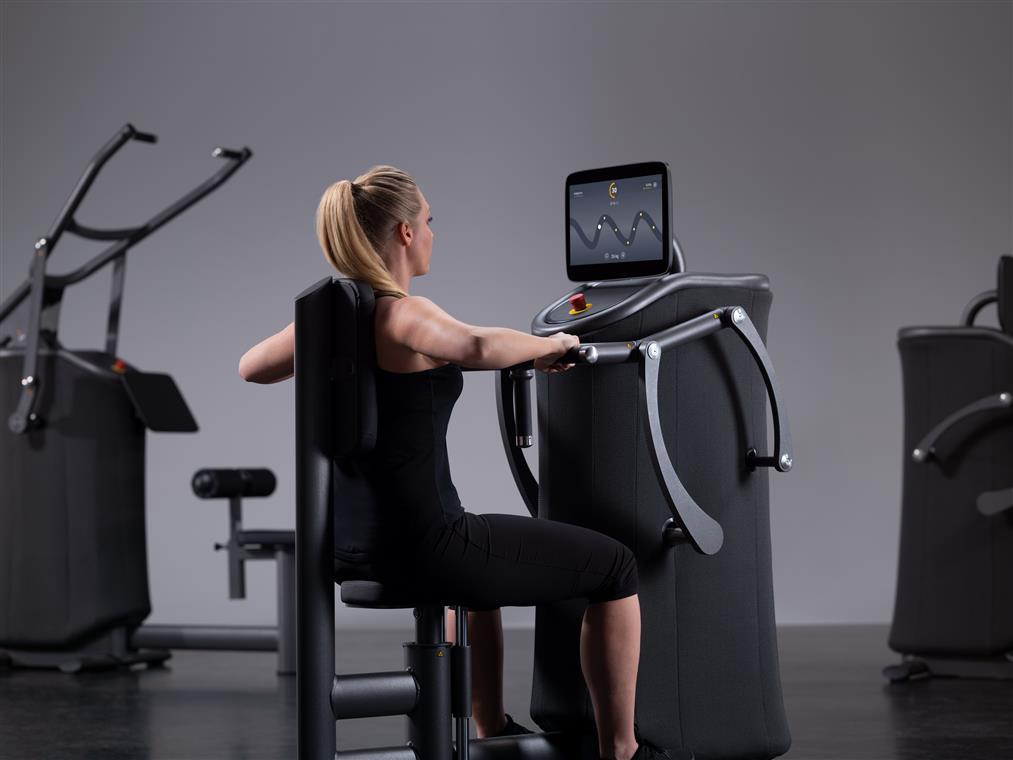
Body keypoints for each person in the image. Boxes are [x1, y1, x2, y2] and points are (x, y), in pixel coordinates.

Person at [239, 166, 665, 760]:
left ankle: (489, 728)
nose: (435, 232)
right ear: (406, 233)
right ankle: (622, 751)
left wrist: (318, 346)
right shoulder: (401, 313)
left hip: (347, 547)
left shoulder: (328, 318)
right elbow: (476, 346)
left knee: (479, 572)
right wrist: (551, 346)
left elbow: (250, 366)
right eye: (430, 220)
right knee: (615, 566)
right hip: (429, 545)